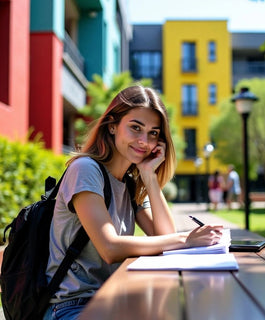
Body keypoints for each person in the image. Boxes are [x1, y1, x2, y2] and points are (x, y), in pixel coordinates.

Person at [43, 85, 223, 320]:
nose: (144, 141)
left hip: (112, 299)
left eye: (153, 133)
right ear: (112, 126)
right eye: (135, 128)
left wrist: (149, 176)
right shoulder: (85, 170)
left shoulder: (129, 184)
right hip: (72, 307)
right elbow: (110, 248)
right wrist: (186, 239)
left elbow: (163, 235)